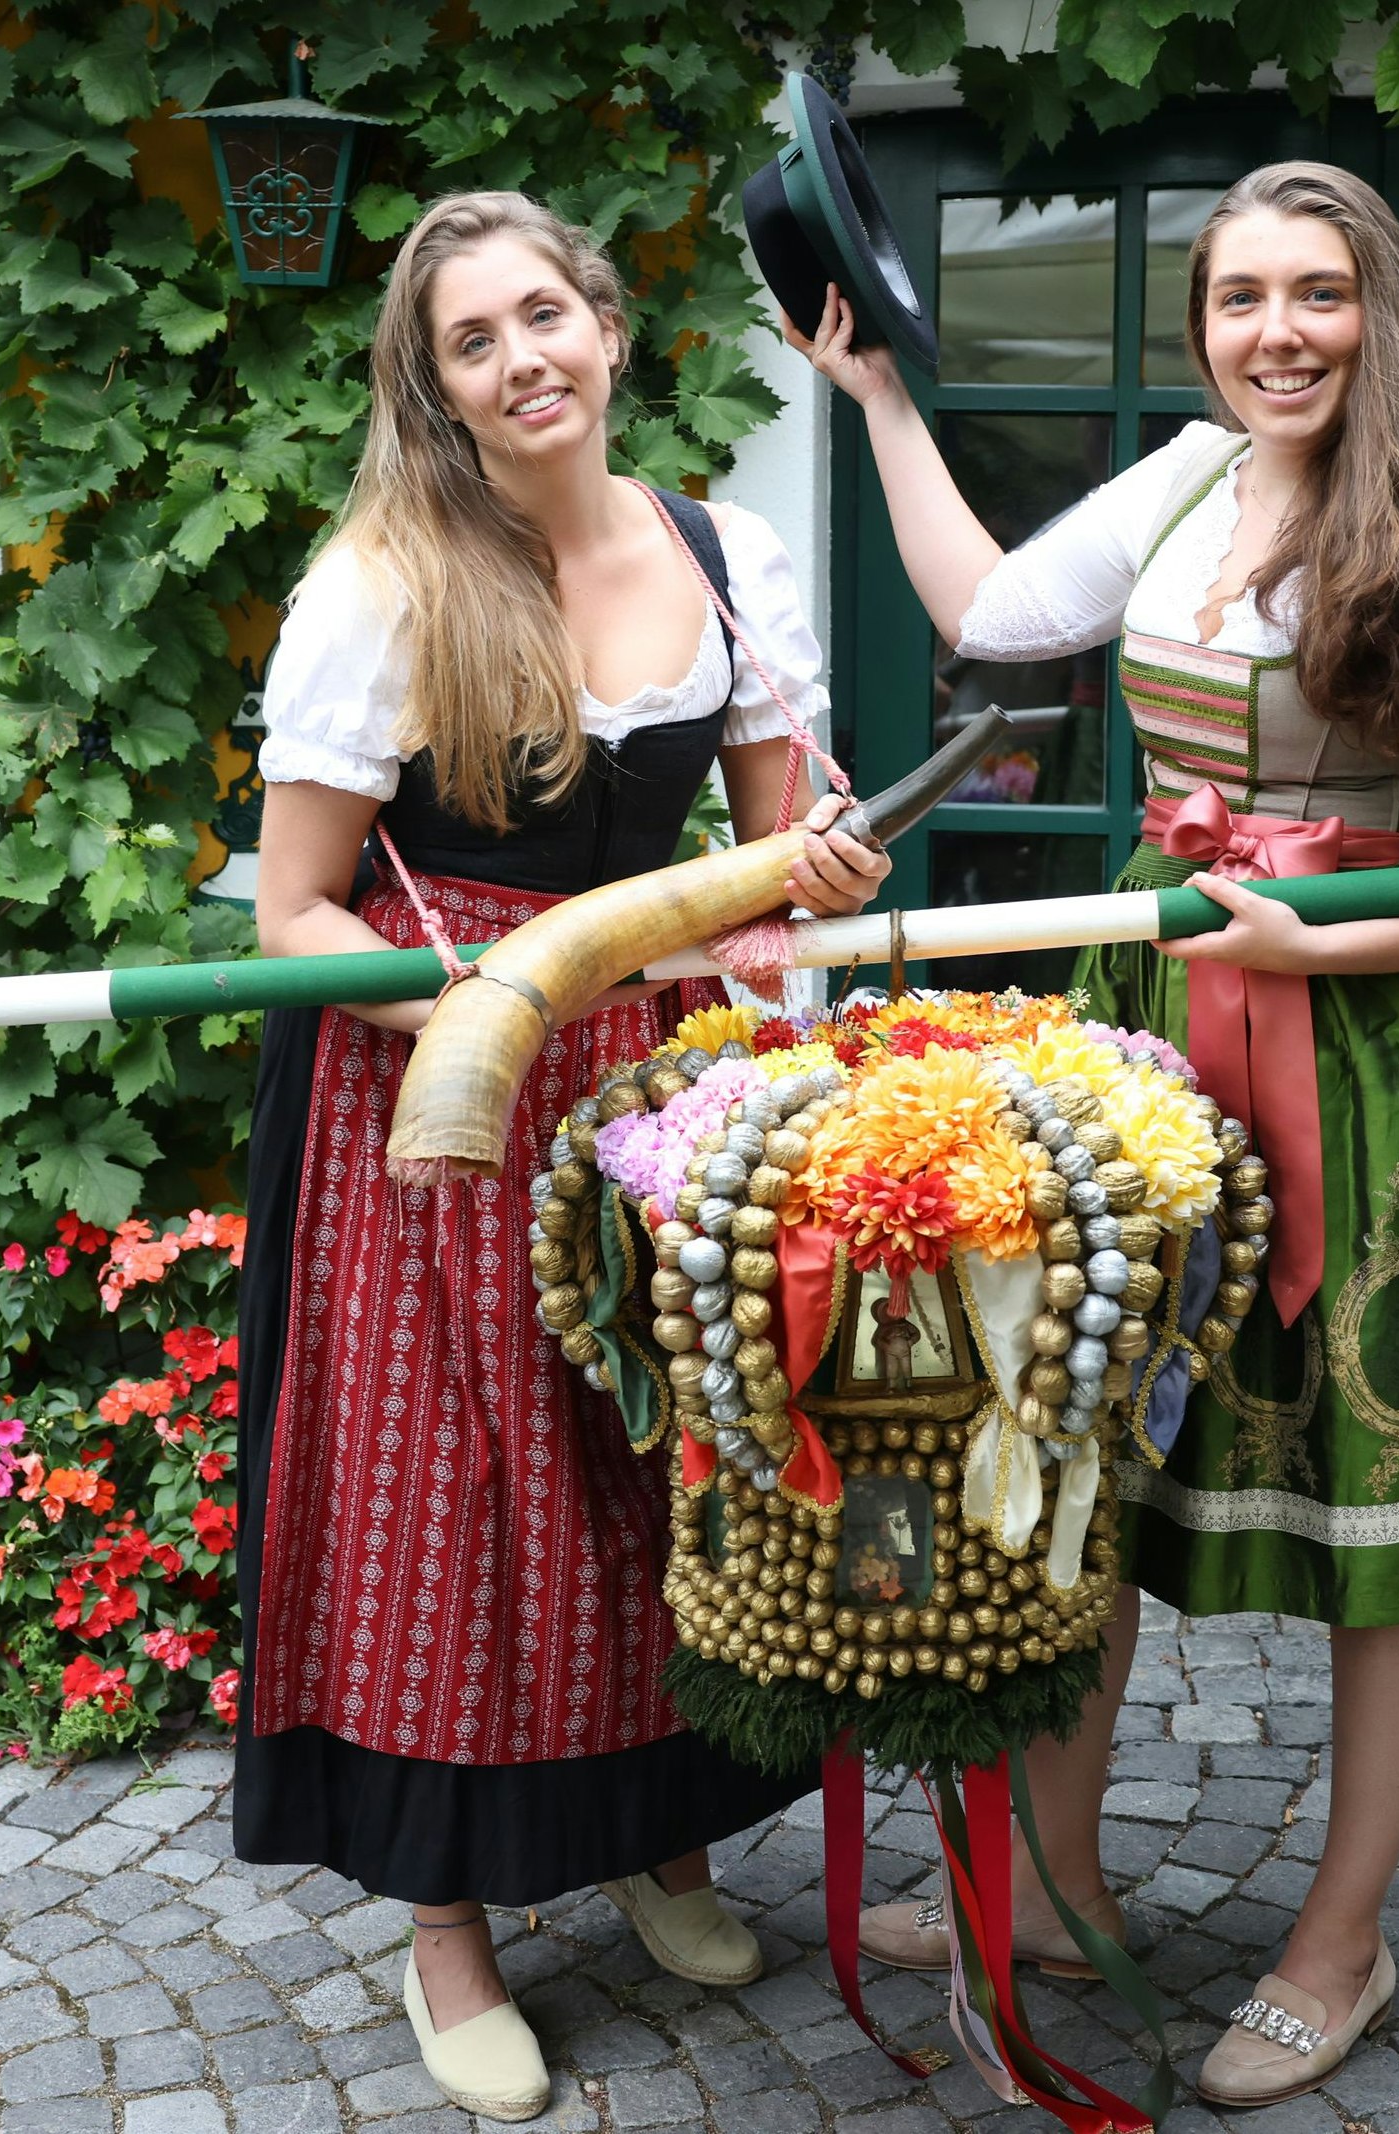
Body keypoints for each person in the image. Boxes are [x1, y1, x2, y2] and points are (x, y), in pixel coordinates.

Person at [795, 160, 1399, 2107]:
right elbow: (998, 614)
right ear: (1201, 328)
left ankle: (1339, 1938)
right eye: (1242, 295)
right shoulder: (1181, 481)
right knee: (1092, 1457)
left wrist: (1325, 936)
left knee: (1387, 1505)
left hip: (1395, 1060)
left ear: (1383, 311)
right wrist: (880, 410)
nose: (1279, 329)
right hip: (1161, 1032)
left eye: (1319, 292)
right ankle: (1055, 1866)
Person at [238, 192, 891, 2119]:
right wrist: (485, 1009)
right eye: (471, 339)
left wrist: (825, 863)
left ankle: (660, 1840)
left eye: (545, 314)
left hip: (661, 1082)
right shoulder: (384, 585)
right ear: (433, 388)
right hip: (431, 1092)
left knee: (648, 1477)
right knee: (458, 1499)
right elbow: (293, 917)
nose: (522, 357)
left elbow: (784, 849)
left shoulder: (727, 550)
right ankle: (448, 1928)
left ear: (608, 333)